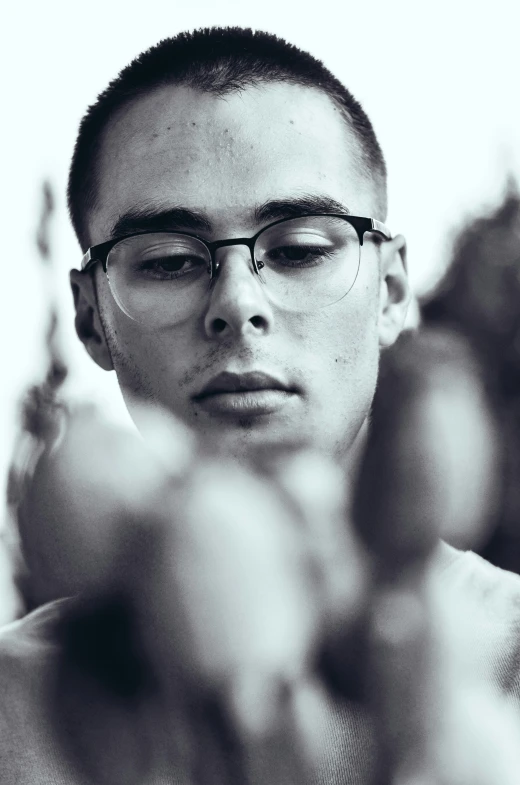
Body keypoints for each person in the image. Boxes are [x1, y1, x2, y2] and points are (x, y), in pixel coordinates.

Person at [2, 26, 520, 785]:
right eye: (171, 260)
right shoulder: (15, 713)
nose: (237, 303)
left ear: (392, 290)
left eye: (302, 249)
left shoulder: (502, 660)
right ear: (91, 317)